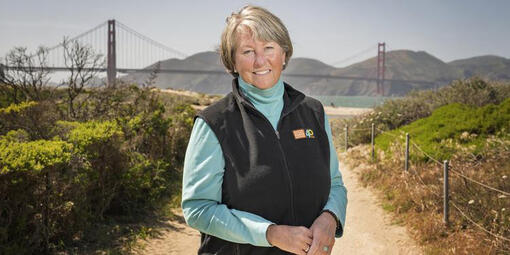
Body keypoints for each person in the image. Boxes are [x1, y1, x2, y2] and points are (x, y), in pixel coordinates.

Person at [181, 5, 347, 255]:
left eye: (268, 48)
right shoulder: (214, 123)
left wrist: (330, 217)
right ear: (233, 61)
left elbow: (335, 183)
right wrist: (269, 233)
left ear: (284, 53)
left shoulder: (313, 112)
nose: (260, 61)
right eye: (248, 51)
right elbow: (198, 208)